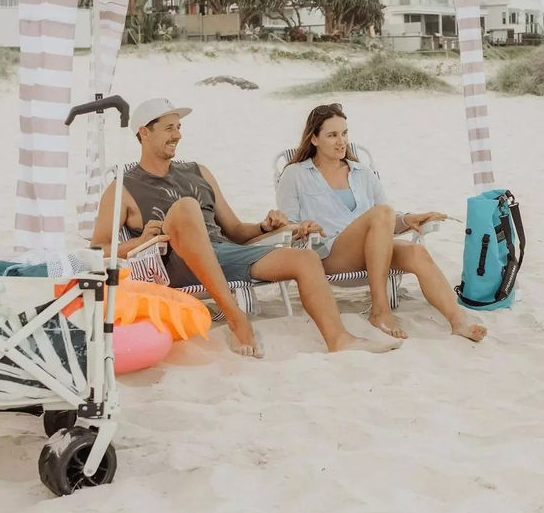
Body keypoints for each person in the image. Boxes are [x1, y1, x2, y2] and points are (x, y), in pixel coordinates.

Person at [91, 98, 402, 359]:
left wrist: (265, 225)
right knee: (186, 207)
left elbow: (236, 230)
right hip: (174, 263)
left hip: (225, 254)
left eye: (179, 127)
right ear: (144, 132)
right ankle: (237, 318)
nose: (178, 135)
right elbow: (98, 249)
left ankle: (339, 339)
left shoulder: (197, 171)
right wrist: (139, 240)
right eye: (169, 128)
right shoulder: (123, 188)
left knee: (305, 259)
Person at [276, 103, 487, 343]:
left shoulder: (362, 173)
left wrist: (408, 219)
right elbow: (287, 226)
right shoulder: (295, 174)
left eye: (344, 133)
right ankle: (380, 310)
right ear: (314, 138)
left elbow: (385, 221)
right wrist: (303, 226)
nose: (341, 141)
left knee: (416, 252)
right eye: (332, 135)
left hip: (374, 252)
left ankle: (458, 323)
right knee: (381, 212)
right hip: (329, 254)